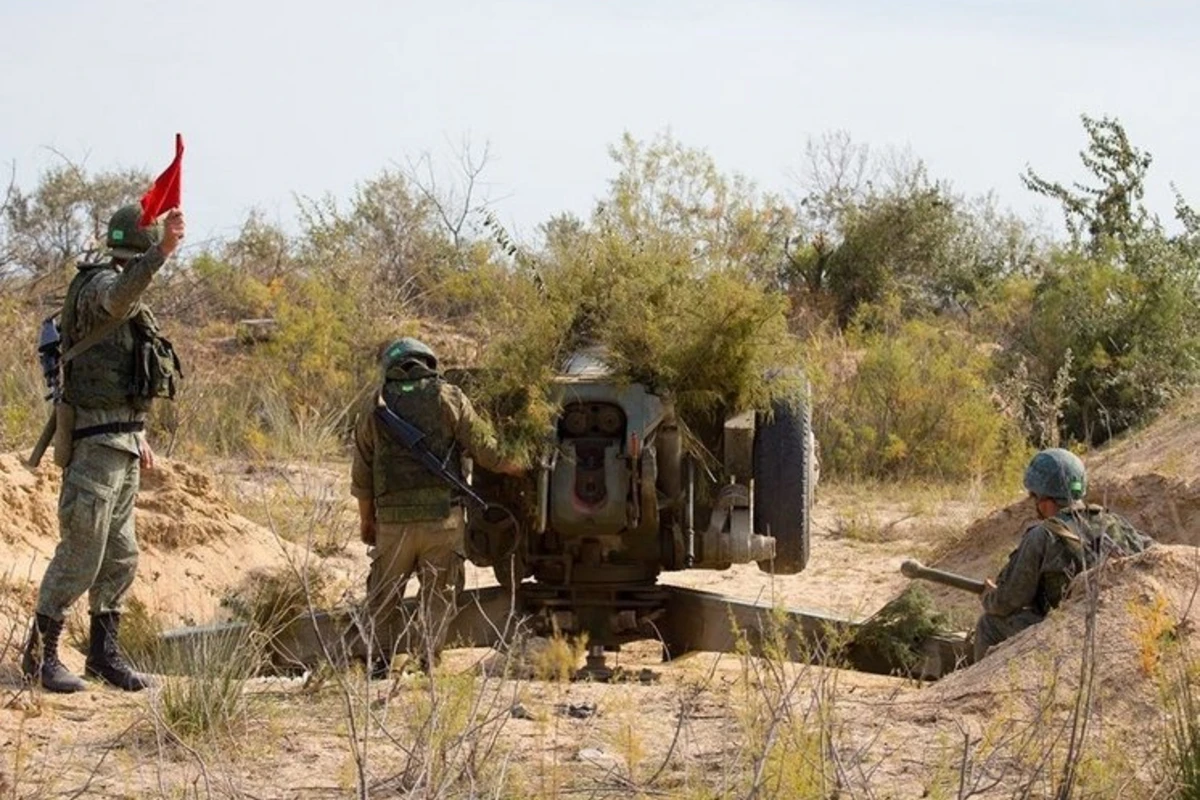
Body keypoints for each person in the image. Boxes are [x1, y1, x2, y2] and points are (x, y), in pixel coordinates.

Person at [22, 205, 186, 693]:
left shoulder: (117, 281)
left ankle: (103, 654)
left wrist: (138, 432)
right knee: (83, 551)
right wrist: (162, 253)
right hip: (95, 444)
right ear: (139, 247)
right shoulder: (99, 285)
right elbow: (118, 301)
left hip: (123, 440)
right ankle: (40, 655)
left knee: (120, 555)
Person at [351, 337, 523, 676]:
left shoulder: (374, 407)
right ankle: (428, 662)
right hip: (443, 521)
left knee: (384, 595)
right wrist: (523, 464)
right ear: (430, 363)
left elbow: (362, 476)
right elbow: (488, 453)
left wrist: (367, 522)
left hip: (393, 525)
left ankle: (381, 663)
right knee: (440, 594)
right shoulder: (449, 398)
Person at [975, 448, 1153, 661]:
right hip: (1121, 629)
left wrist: (989, 597)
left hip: (1068, 636)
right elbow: (1156, 556)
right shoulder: (1117, 523)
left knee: (988, 625)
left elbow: (1008, 601)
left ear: (1044, 501)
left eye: (1034, 497)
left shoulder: (1042, 536)